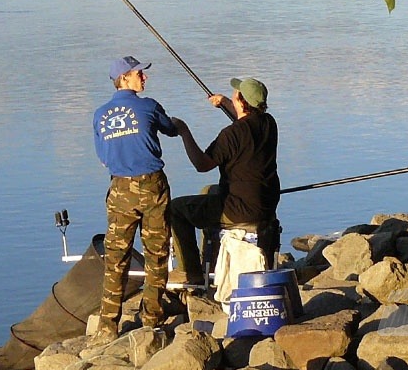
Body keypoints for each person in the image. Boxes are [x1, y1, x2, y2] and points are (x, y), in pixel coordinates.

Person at [89, 55, 179, 347]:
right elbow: (171, 128)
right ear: (124, 78)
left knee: (116, 259)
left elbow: (103, 158)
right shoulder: (149, 106)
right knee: (157, 255)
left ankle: (108, 325)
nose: (145, 78)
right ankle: (151, 318)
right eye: (140, 74)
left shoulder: (100, 114)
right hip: (152, 186)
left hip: (120, 191)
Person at [169, 77, 280, 285]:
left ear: (241, 101)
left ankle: (190, 272)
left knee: (175, 209)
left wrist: (184, 132)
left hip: (239, 210)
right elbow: (246, 121)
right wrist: (224, 103)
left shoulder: (230, 135)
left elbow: (202, 165)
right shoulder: (268, 123)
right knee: (208, 190)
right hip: (266, 204)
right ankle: (210, 259)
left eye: (235, 94)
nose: (233, 95)